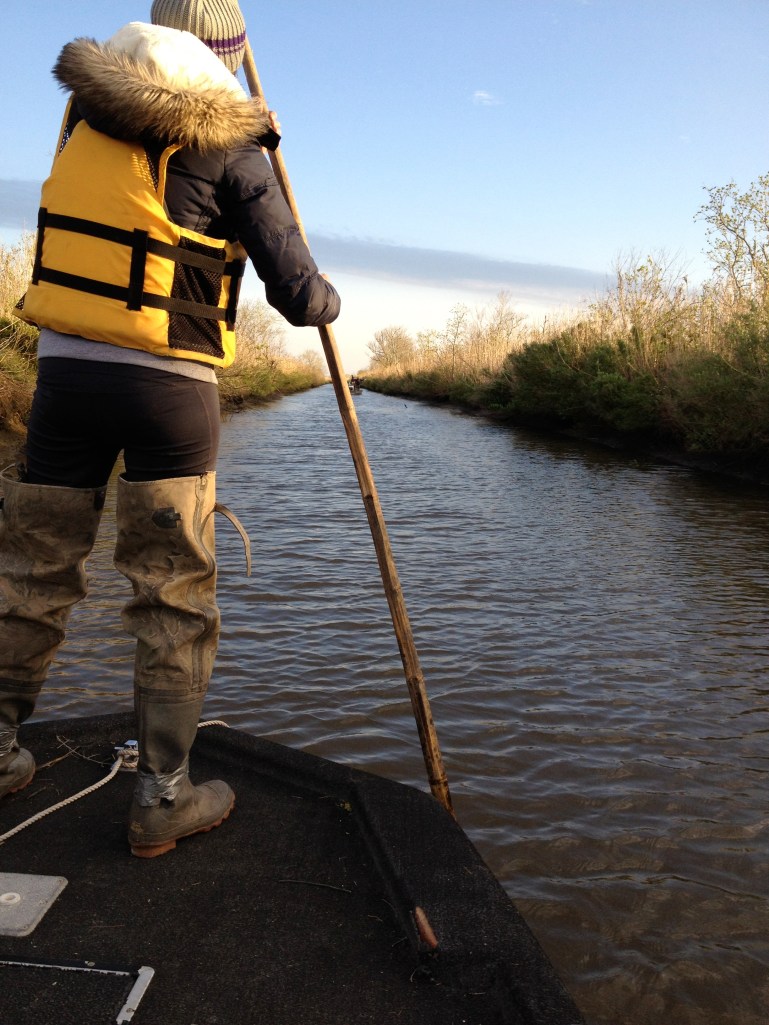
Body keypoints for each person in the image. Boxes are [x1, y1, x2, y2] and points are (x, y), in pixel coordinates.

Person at [0, 0, 340, 857]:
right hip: (171, 392)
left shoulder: (83, 111)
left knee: (33, 569)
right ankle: (161, 796)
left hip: (65, 380)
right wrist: (326, 291)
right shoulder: (233, 139)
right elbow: (298, 294)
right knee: (172, 590)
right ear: (226, 52)